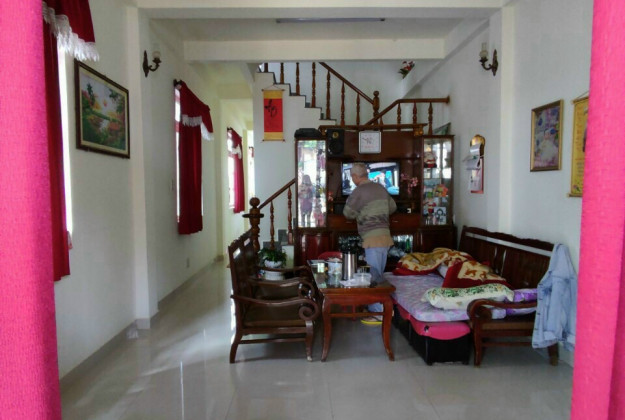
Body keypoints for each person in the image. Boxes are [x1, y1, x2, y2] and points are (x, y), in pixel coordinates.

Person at [343, 162, 397, 325]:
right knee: (378, 273)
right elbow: (393, 207)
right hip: (385, 237)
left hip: (372, 238)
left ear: (355, 176)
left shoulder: (358, 191)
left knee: (374, 277)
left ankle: (379, 313)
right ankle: (380, 309)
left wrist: (362, 212)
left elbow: (347, 213)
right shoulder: (381, 188)